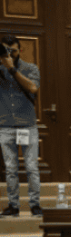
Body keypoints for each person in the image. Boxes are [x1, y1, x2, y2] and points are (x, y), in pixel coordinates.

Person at [0, 35, 41, 217]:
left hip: (27, 126)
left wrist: (12, 69)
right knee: (10, 169)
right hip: (6, 126)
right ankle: (13, 206)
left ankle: (35, 205)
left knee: (31, 167)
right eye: (6, 50)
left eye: (13, 51)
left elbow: (33, 88)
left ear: (20, 50)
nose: (10, 54)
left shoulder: (30, 68)